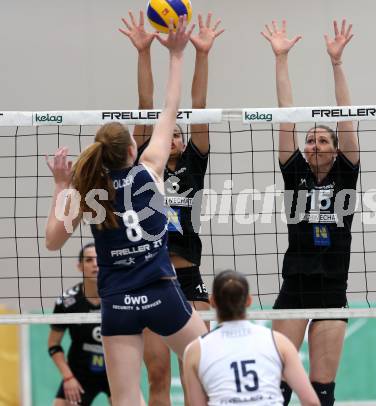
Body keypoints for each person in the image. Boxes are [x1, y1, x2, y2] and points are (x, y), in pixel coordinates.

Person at [45, 16, 207, 406]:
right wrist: (177, 54)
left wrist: (61, 187)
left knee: (124, 398)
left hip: (117, 303)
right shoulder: (150, 170)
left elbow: (52, 241)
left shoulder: (86, 190)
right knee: (209, 362)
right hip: (161, 293)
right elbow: (171, 106)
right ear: (132, 149)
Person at [119, 10, 224, 405]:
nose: (176, 138)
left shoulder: (195, 163)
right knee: (158, 373)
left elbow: (199, 104)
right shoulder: (143, 168)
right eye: (171, 133)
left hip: (189, 273)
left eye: (180, 134)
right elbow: (146, 106)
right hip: (150, 275)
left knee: (197, 370)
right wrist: (144, 53)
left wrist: (203, 54)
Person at [261, 19, 359, 406]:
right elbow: (287, 112)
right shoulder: (295, 174)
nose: (314, 144)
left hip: (334, 289)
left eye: (322, 140)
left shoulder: (346, 176)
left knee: (320, 393)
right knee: (276, 388)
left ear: (335, 150)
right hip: (295, 286)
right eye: (310, 140)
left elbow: (348, 118)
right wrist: (281, 59)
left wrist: (336, 64)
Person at [183, 270, 320, 406]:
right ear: (249, 300)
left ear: (212, 301)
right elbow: (311, 402)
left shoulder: (195, 350)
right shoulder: (279, 342)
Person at [48, 243, 113, 406]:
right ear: (80, 266)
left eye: (99, 260)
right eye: (89, 260)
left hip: (115, 371)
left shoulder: (119, 298)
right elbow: (53, 344)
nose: (95, 265)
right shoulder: (67, 302)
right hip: (80, 374)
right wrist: (68, 377)